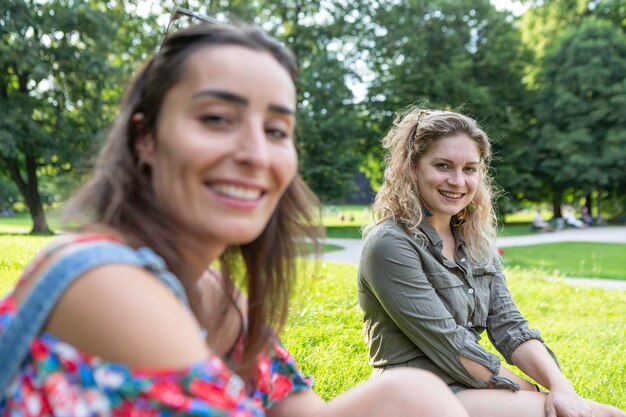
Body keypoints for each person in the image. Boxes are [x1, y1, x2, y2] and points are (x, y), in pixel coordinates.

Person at [0, 14, 470, 417]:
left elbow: (299, 407)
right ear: (145, 139)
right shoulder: (108, 286)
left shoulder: (209, 288)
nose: (255, 154)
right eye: (217, 119)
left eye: (276, 129)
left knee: (413, 395)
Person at [357, 107, 626, 417]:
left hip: (470, 389)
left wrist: (560, 385)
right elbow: (451, 345)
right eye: (443, 166)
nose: (457, 181)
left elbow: (510, 325)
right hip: (413, 397)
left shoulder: (474, 240)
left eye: (470, 168)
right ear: (412, 168)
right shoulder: (390, 244)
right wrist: (526, 391)